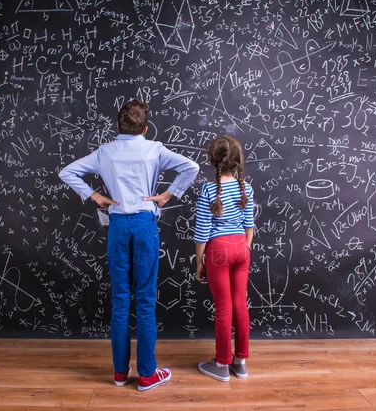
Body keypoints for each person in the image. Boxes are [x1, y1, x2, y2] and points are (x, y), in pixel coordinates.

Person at [59, 99, 199, 391]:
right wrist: (167, 195)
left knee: (121, 301)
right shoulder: (155, 149)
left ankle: (120, 373)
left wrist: (95, 196)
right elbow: (192, 167)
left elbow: (67, 172)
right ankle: (148, 375)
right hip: (145, 227)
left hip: (118, 227)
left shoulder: (105, 152)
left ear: (117, 126)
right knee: (145, 301)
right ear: (145, 128)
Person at [193, 135, 254, 382]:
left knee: (223, 308)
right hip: (241, 247)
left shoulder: (209, 189)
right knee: (240, 305)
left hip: (218, 249)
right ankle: (240, 363)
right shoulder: (245, 188)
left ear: (213, 161)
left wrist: (200, 261)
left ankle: (221, 363)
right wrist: (244, 249)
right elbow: (249, 225)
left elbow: (202, 231)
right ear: (238, 162)